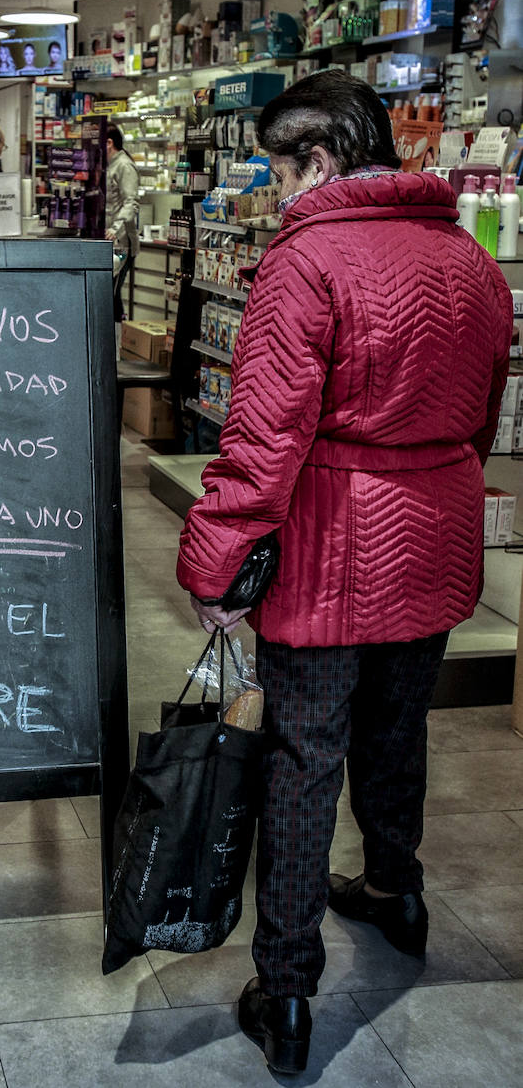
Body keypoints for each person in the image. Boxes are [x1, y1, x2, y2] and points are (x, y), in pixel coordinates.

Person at [175, 70, 512, 1076]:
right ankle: (395, 891)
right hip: (436, 530)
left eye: (277, 170)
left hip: (333, 547)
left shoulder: (306, 258)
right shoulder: (467, 256)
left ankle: (284, 992)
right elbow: (485, 411)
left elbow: (263, 434)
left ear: (316, 160)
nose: (273, 192)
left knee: (301, 756)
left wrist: (215, 558)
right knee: (396, 725)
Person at [104, 123, 139, 320]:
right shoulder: (108, 165)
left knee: (111, 294)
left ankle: (115, 344)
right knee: (105, 294)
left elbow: (131, 203)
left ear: (109, 143)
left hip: (121, 244)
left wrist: (115, 229)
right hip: (107, 243)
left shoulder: (124, 166)